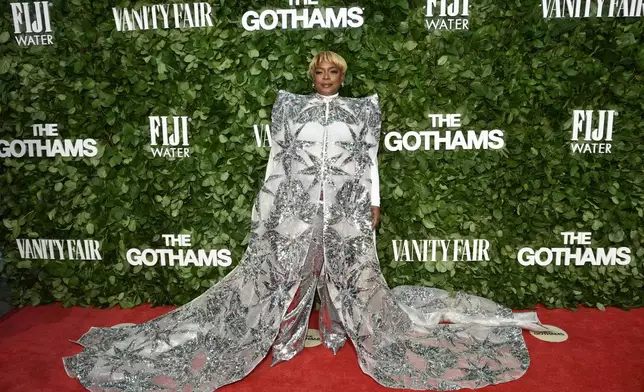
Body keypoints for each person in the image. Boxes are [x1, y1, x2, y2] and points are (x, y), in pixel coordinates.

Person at [63, 51, 545, 391]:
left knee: (346, 272)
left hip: (346, 206)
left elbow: (368, 160)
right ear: (312, 74)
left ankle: (337, 332)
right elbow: (277, 159)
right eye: (320, 70)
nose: (327, 76)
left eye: (334, 70)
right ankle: (289, 335)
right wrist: (268, 204)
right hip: (295, 207)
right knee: (289, 271)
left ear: (342, 75)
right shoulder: (290, 108)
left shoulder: (362, 112)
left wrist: (373, 201)